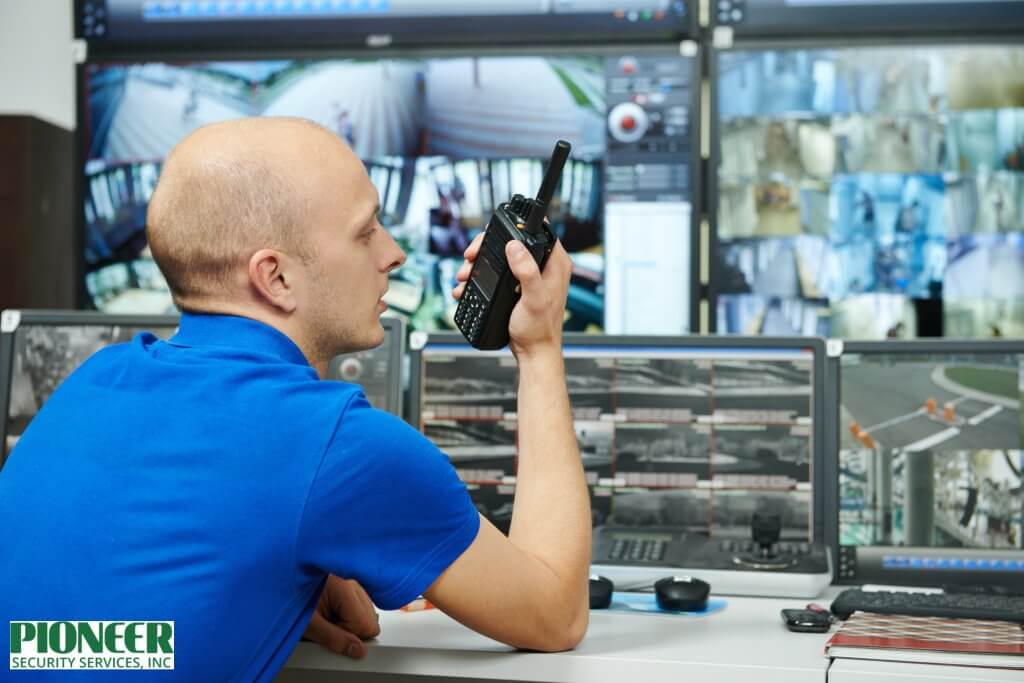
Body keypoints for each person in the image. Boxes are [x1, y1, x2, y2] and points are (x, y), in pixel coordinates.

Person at [0, 117, 590, 680]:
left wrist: (263, 578)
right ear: (275, 278)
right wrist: (538, 348)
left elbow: (63, 635)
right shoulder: (340, 446)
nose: (394, 254)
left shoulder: (93, 380)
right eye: (365, 232)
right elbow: (555, 612)